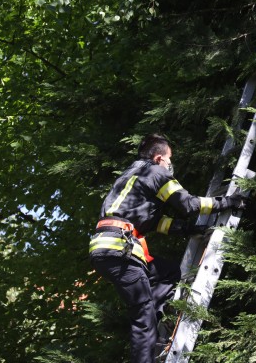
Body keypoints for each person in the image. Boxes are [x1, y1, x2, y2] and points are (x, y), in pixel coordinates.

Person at [89, 134, 247, 363]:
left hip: (107, 248)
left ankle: (156, 325)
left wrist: (188, 230)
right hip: (121, 251)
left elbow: (154, 223)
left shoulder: (129, 177)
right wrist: (228, 202)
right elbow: (190, 205)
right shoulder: (156, 173)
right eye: (169, 159)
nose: (170, 164)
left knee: (168, 273)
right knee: (142, 314)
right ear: (159, 157)